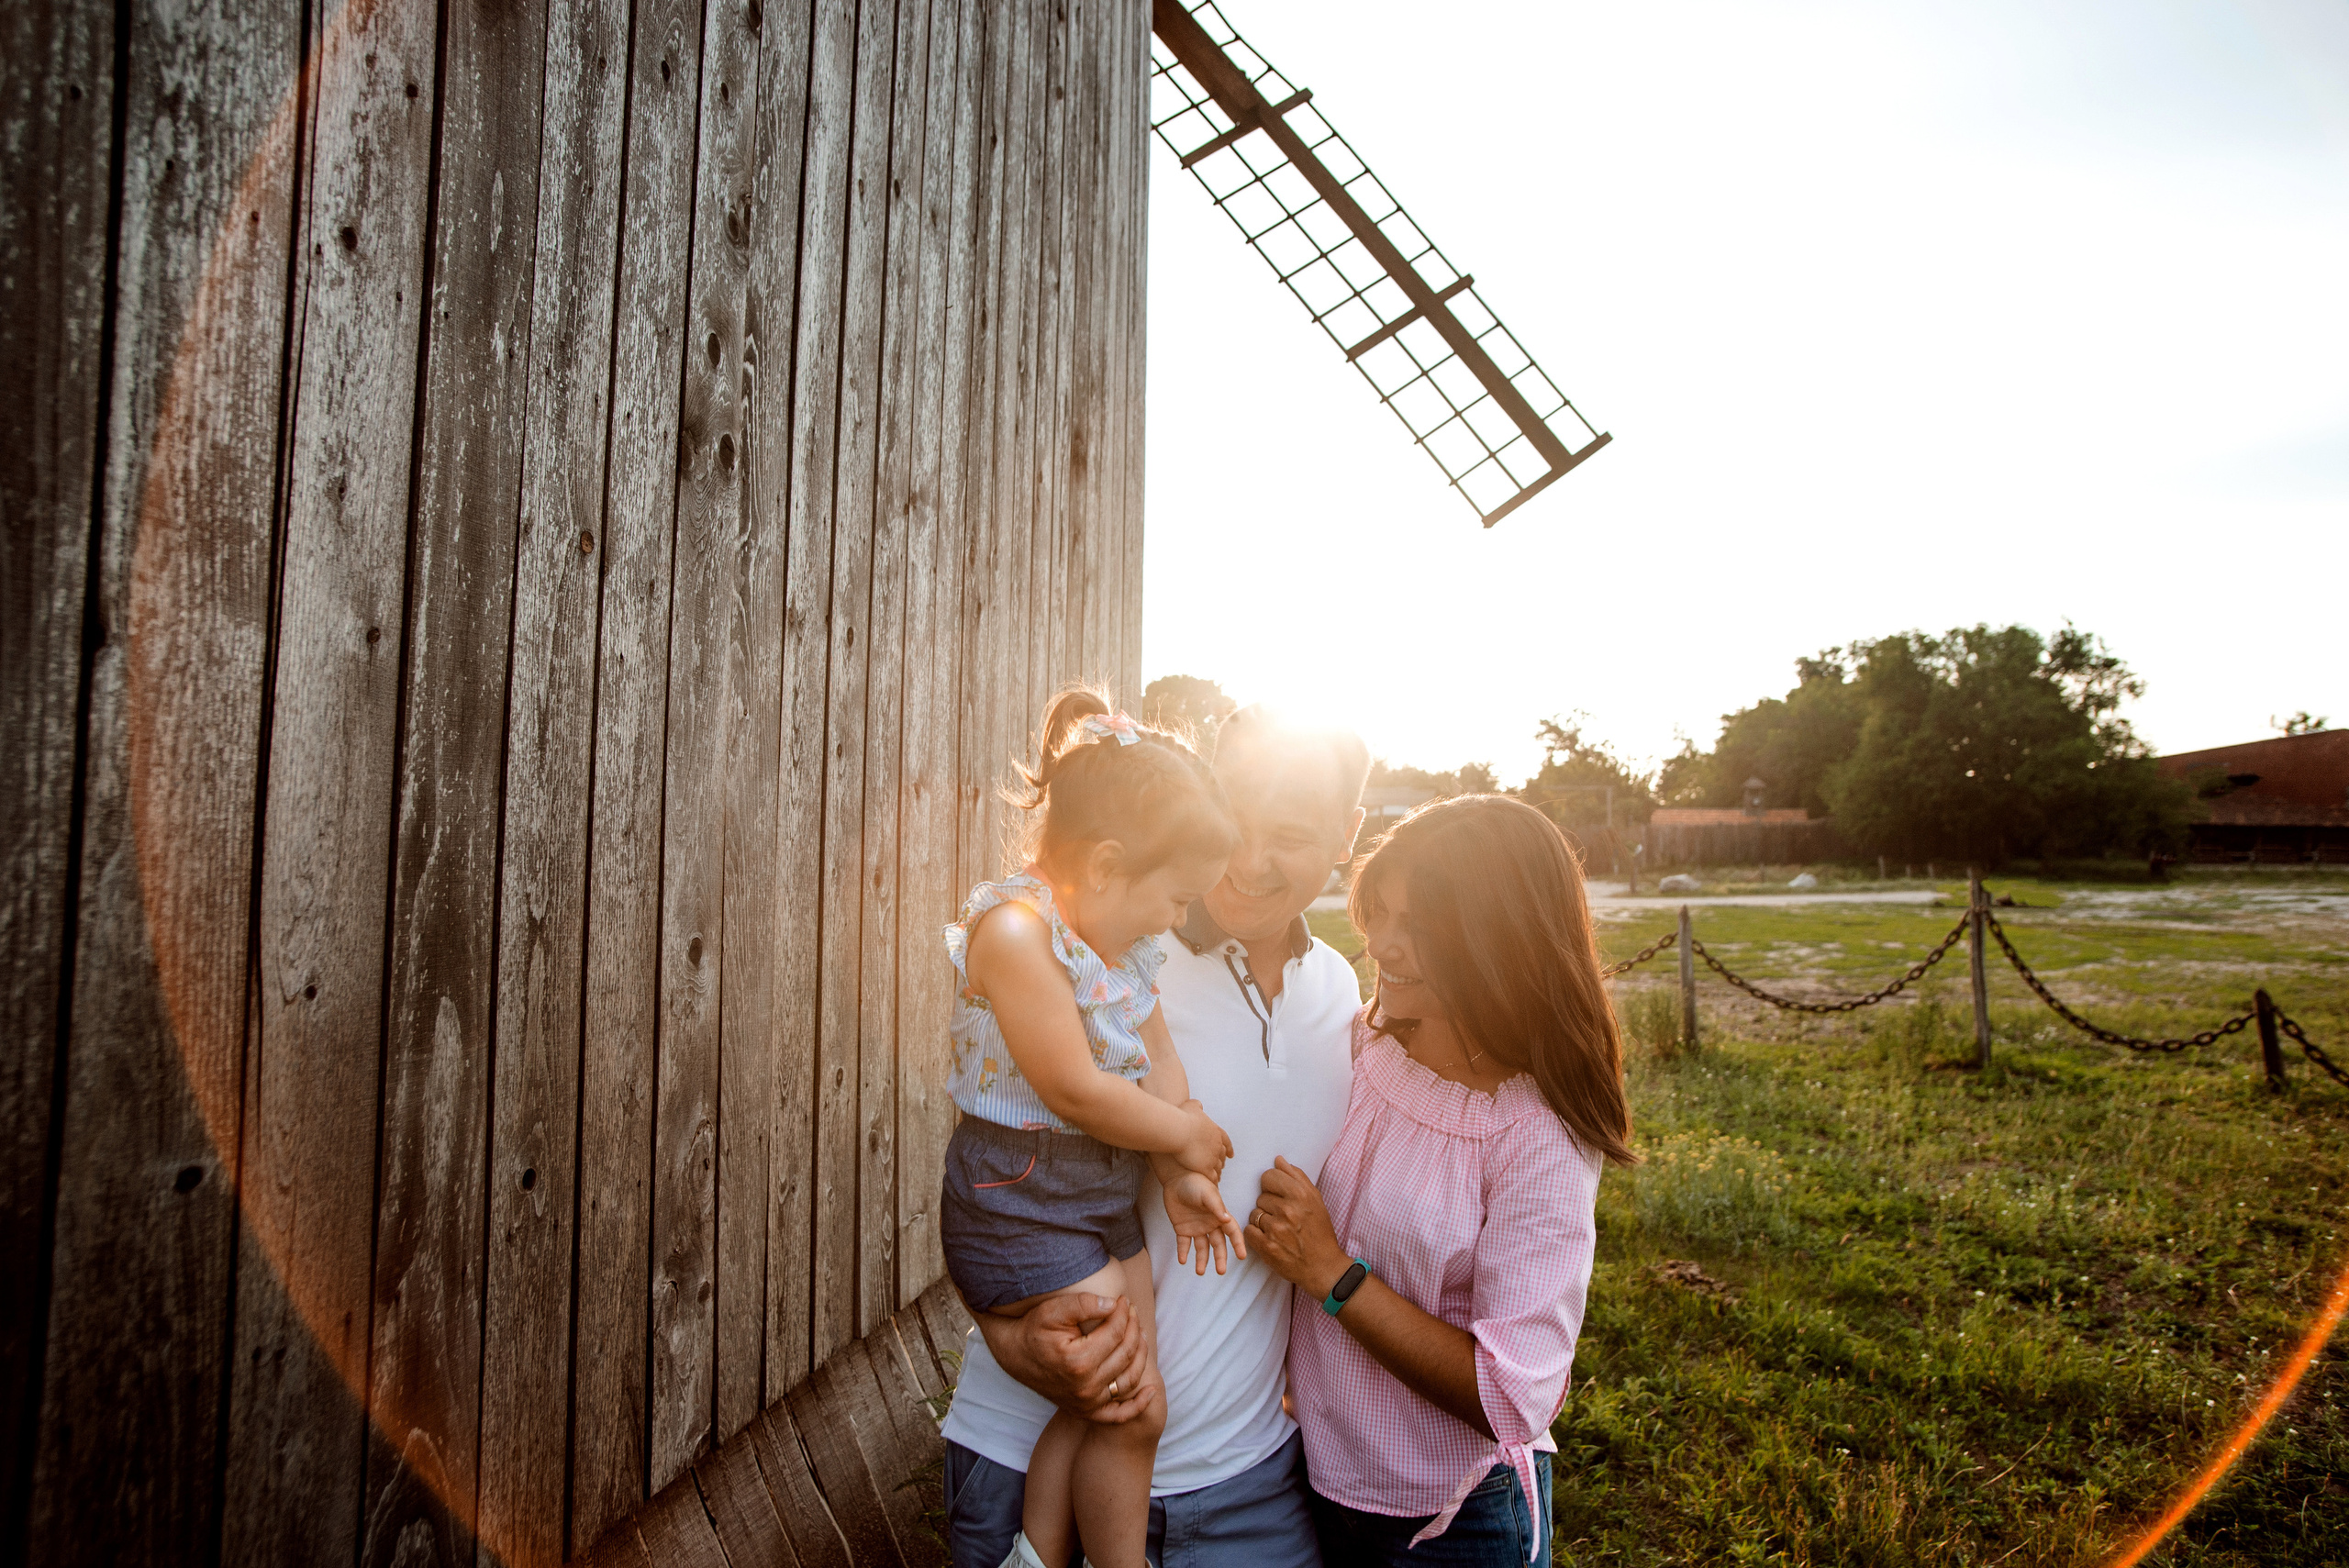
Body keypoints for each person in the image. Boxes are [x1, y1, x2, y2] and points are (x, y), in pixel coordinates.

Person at [943, 706, 1371, 1568]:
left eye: (1287, 834)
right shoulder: (1106, 942)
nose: (1247, 863)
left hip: (1242, 1476)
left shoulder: (1339, 993)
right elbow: (999, 1183)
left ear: (1346, 834)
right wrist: (1014, 1340)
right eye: (1236, 822)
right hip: (1028, 1448)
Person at [1242, 795, 1636, 1566]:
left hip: (1452, 1522)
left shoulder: (1536, 1133)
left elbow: (1511, 1395)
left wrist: (1333, 1275)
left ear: (1499, 940)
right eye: (1380, 911)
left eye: (1419, 925)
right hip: (1309, 1478)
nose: (1383, 942)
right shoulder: (1363, 1044)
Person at [938, 688, 1250, 1568]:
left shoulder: (1122, 946)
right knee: (1133, 1403)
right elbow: (1072, 1086)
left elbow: (1156, 1060)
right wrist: (1184, 1137)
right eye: (1176, 895)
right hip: (1021, 1196)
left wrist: (1181, 1161)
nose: (1177, 920)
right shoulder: (1014, 931)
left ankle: (1036, 1558)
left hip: (1103, 1191)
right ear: (1108, 864)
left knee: (1115, 1394)